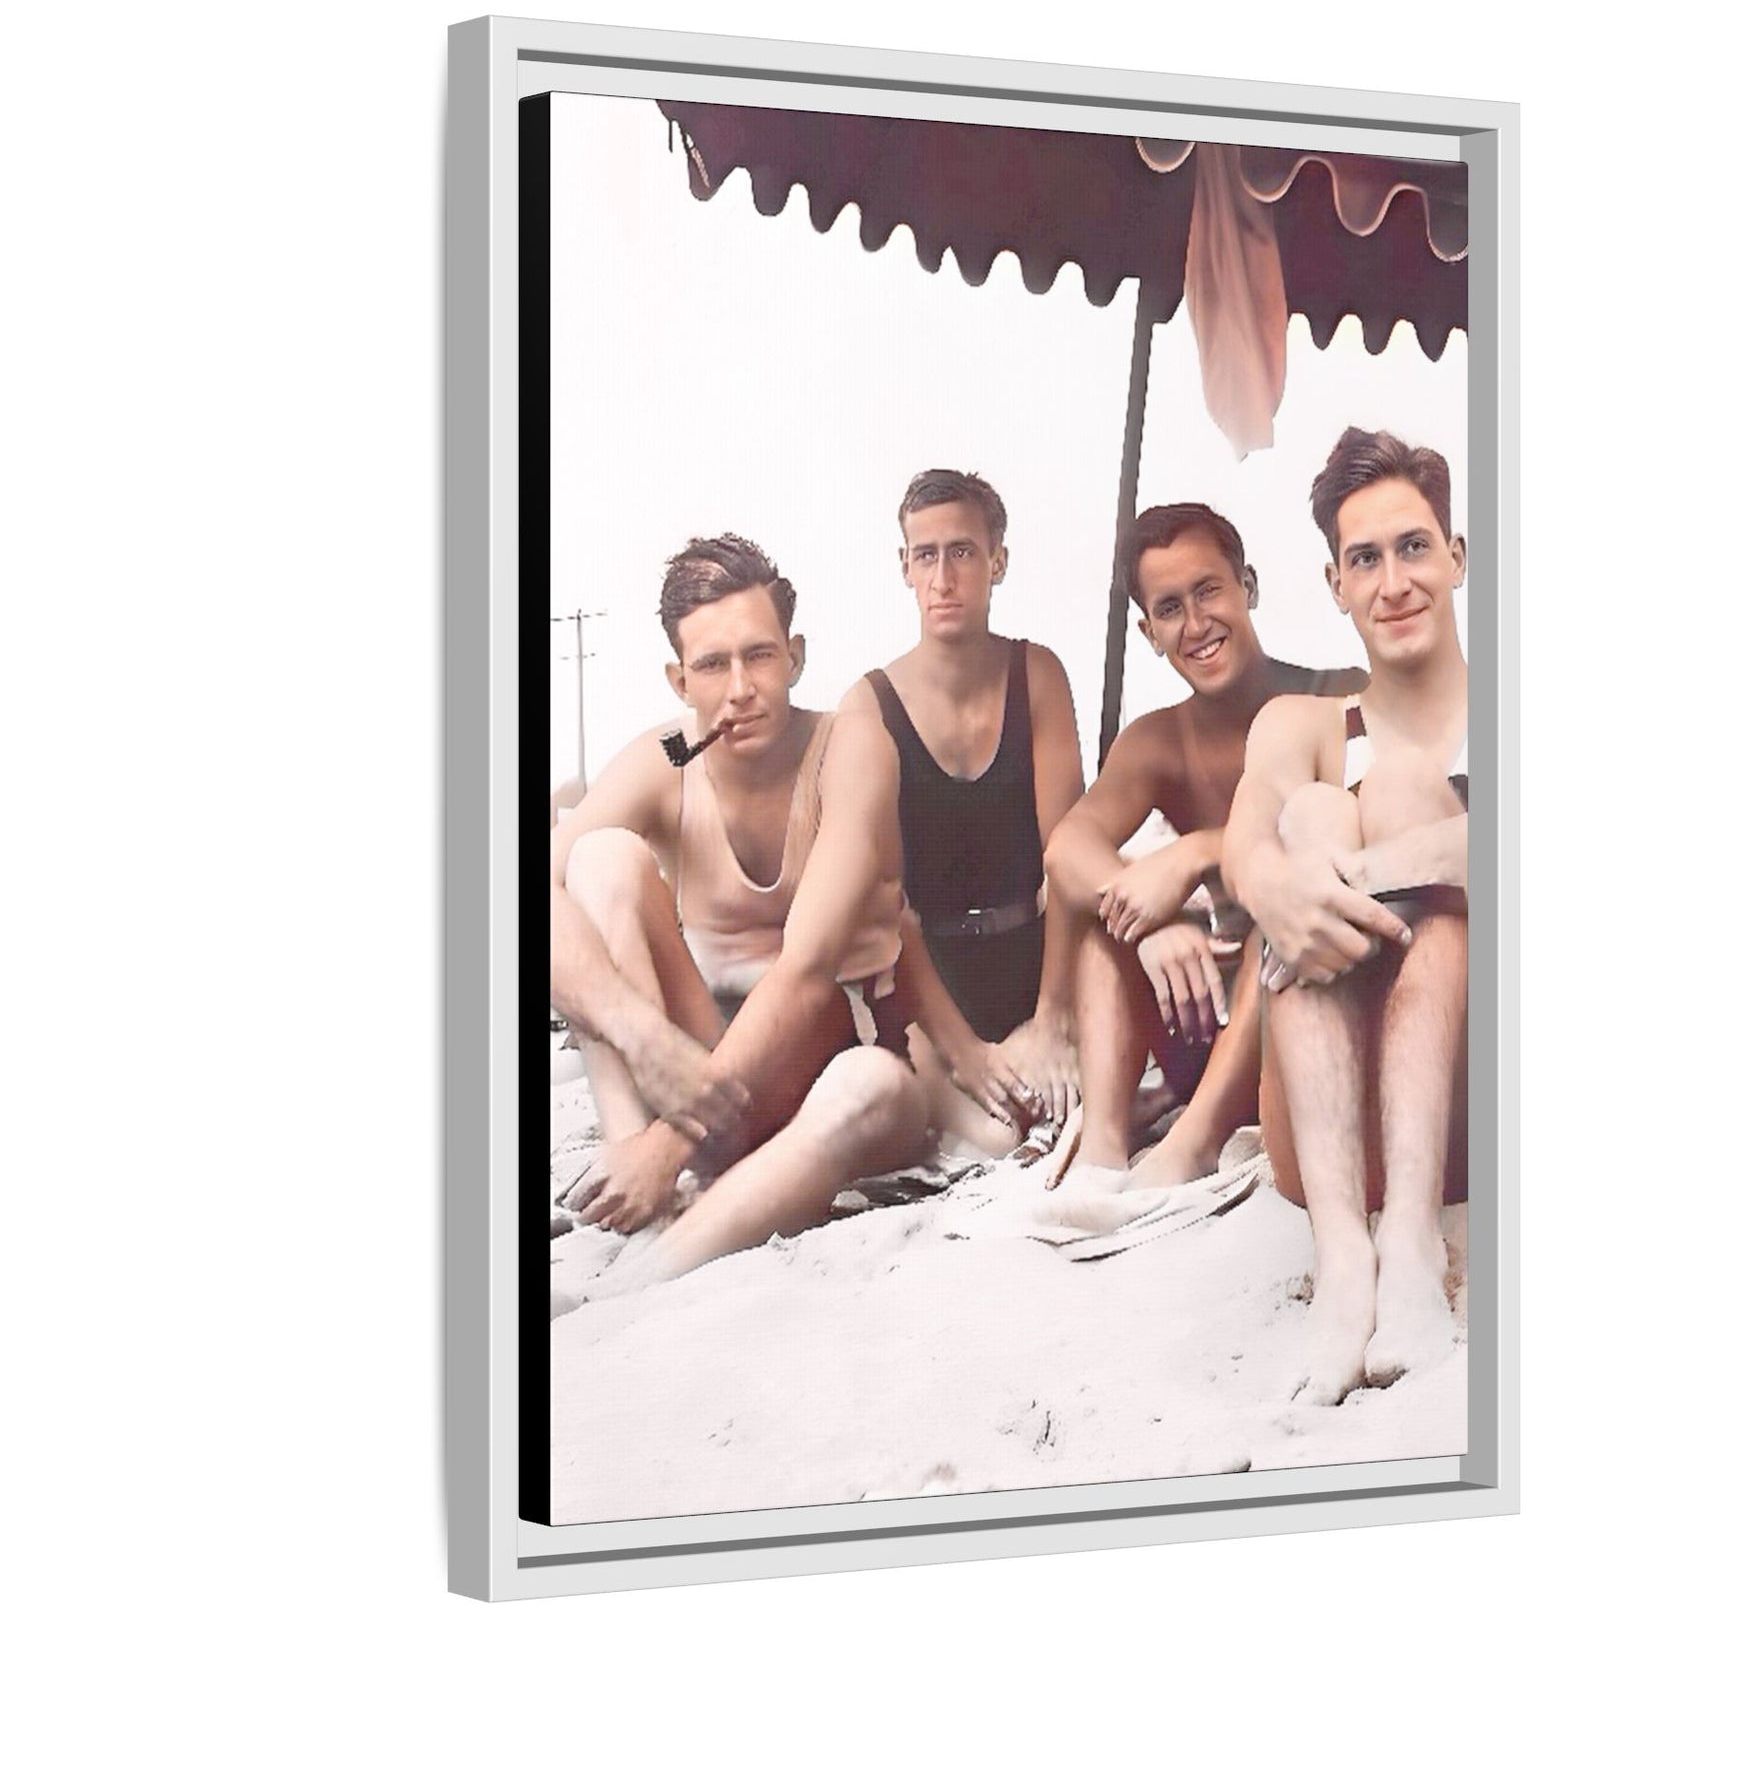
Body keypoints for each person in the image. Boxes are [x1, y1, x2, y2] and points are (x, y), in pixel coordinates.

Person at [549, 534, 931, 1283]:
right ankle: (639, 1196)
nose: (740, 688)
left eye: (759, 656)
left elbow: (808, 966)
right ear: (678, 678)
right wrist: (641, 1038)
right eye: (712, 665)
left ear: (795, 655)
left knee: (874, 1087)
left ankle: (637, 1277)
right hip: (694, 1075)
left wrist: (671, 1147)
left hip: (824, 1080)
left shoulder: (847, 744)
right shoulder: (669, 756)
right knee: (599, 859)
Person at [1223, 428, 1469, 1404]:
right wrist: (1277, 881)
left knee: (1403, 792)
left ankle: (1406, 1237)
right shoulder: (1297, 723)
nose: (1392, 580)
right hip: (1323, 1128)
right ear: (1332, 582)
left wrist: (1360, 875)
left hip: (1470, 1108)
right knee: (1311, 808)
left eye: (1412, 547)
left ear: (1456, 556)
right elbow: (1247, 846)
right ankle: (1345, 1258)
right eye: (1362, 558)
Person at [1043, 502, 1364, 1177]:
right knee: (1109, 924)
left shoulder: (1337, 697)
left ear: (1247, 585)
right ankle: (1103, 1150)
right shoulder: (1158, 741)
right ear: (1148, 631)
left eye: (1208, 590)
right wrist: (1148, 925)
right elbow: (1068, 848)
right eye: (1169, 609)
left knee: (1270, 921)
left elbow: (1367, 829)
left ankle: (1194, 1146)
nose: (1196, 625)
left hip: (1310, 1011)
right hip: (1203, 1019)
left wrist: (1195, 853)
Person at [841, 468, 1086, 1132]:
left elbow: (1070, 858)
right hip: (927, 982)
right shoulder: (869, 705)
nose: (943, 578)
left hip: (1035, 960)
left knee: (1064, 1112)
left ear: (997, 561)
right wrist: (965, 1053)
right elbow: (883, 898)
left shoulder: (1037, 674)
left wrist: (1054, 1015)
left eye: (963, 553)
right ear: (904, 567)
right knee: (994, 1141)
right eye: (926, 555)